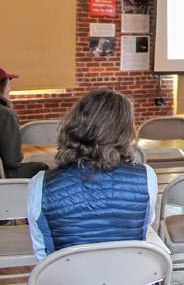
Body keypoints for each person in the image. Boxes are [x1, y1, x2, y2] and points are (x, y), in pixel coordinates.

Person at [26, 89, 158, 259]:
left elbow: (41, 251)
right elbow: (143, 226)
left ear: (74, 125)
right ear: (126, 132)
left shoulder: (40, 184)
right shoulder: (146, 177)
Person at [0, 69, 48, 179]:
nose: (10, 90)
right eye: (8, 85)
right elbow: (12, 161)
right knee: (41, 168)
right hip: (5, 178)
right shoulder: (6, 115)